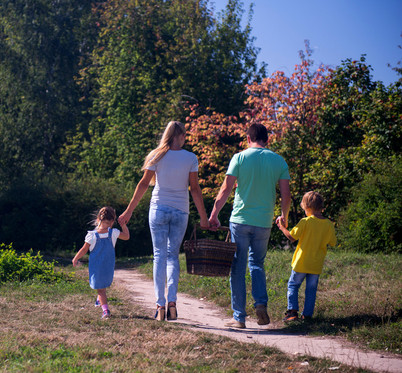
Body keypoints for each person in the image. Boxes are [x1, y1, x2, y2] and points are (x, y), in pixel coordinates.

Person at [118, 121, 209, 321]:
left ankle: (159, 305)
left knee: (159, 256)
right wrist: (203, 217)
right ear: (182, 135)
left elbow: (143, 184)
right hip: (180, 211)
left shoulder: (156, 155)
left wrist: (129, 211)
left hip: (158, 208)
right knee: (172, 256)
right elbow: (194, 189)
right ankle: (173, 304)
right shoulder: (190, 158)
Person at [209, 123, 291, 329]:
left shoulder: (239, 158)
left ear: (248, 138)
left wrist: (214, 214)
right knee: (257, 264)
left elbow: (226, 188)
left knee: (238, 267)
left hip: (240, 220)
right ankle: (261, 304)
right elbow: (286, 194)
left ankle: (239, 318)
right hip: (263, 221)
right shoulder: (279, 160)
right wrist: (283, 216)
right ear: (267, 140)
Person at [276, 191, 336, 322]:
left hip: (301, 262)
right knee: (311, 290)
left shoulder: (305, 222)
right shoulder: (328, 224)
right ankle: (307, 315)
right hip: (316, 263)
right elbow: (333, 242)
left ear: (307, 208)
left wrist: (281, 227)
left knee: (293, 285)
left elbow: (292, 237)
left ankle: (292, 312)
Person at [72, 206, 130, 319]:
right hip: (108, 266)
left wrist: (75, 258)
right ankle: (99, 300)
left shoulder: (92, 235)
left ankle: (105, 311)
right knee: (102, 287)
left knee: (100, 290)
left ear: (98, 219)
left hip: (96, 267)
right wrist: (123, 225)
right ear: (113, 221)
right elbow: (127, 236)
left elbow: (84, 249)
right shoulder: (114, 233)